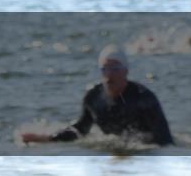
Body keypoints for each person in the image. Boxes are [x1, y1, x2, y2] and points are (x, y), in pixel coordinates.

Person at [22, 45, 174, 146]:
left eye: (115, 68)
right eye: (105, 69)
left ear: (125, 71)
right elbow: (79, 131)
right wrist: (47, 139)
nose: (109, 75)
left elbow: (165, 141)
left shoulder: (144, 98)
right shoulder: (93, 98)